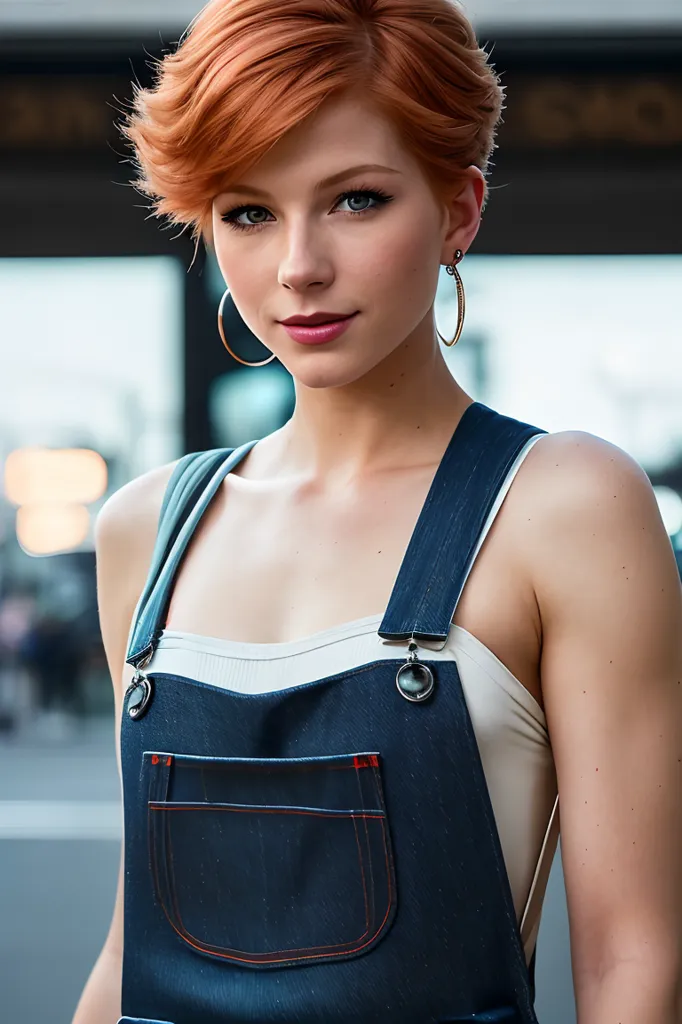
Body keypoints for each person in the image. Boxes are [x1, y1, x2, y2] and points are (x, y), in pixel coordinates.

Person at [73, 2, 682, 1022]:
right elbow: (131, 946)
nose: (297, 266)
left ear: (458, 210)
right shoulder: (145, 529)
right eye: (248, 212)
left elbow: (634, 963)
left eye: (355, 200)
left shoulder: (560, 507)